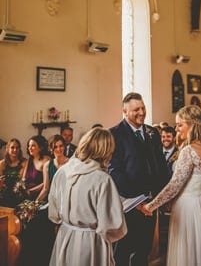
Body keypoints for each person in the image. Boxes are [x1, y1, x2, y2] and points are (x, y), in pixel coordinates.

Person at [137, 105, 201, 265]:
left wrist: (151, 206)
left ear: (192, 124)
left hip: (189, 209)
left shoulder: (189, 150)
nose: (177, 129)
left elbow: (175, 185)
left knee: (189, 253)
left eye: (180, 125)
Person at [47, 128, 127, 265]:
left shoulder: (63, 171)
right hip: (91, 242)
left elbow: (54, 212)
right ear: (105, 152)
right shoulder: (102, 179)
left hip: (65, 236)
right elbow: (112, 226)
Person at [108, 92, 168, 266]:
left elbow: (160, 164)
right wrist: (137, 202)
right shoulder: (115, 134)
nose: (142, 112)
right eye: (136, 110)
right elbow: (115, 171)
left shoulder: (152, 132)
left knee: (144, 250)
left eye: (143, 108)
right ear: (125, 111)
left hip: (151, 203)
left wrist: (161, 195)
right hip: (129, 205)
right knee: (123, 251)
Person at [22, 135, 51, 201]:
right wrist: (21, 188)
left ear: (40, 148)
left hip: (40, 195)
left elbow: (47, 182)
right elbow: (23, 179)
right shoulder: (30, 159)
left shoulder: (46, 160)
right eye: (29, 146)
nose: (30, 148)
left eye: (33, 145)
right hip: (27, 194)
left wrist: (31, 191)